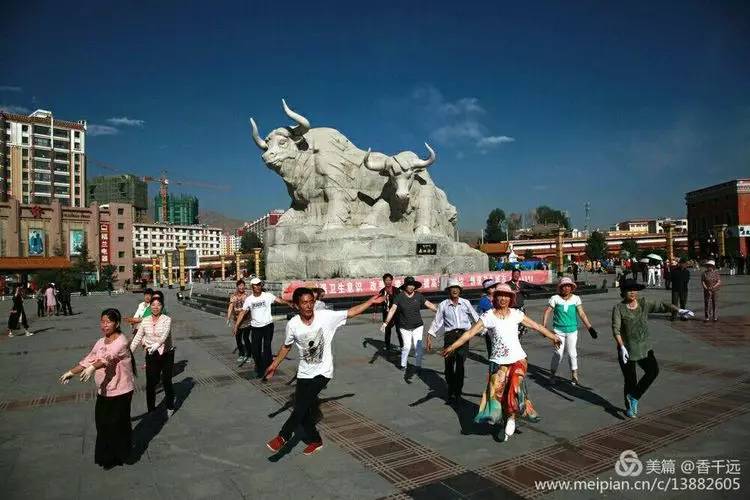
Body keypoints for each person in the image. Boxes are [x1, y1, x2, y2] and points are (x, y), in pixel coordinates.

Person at [264, 288, 384, 455]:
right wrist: (274, 365)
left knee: (300, 407)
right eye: (304, 303)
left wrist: (370, 302)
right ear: (297, 305)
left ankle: (283, 436)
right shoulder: (292, 325)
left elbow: (350, 313)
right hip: (304, 373)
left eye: (311, 302)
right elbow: (286, 346)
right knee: (303, 411)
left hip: (323, 372)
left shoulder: (325, 316)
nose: (308, 306)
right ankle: (316, 440)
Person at [442, 285, 561, 442]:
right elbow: (470, 333)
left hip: (518, 359)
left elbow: (536, 326)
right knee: (498, 393)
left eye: (507, 296)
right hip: (498, 361)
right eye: (500, 295)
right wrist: (453, 346)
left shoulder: (516, 314)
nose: (503, 298)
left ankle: (511, 417)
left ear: (510, 298)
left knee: (515, 387)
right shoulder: (488, 316)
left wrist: (552, 336)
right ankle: (504, 416)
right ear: (495, 297)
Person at [59, 309, 136, 469]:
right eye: (102, 321)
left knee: (117, 424)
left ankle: (122, 454)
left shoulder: (121, 341)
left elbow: (107, 358)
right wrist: (71, 372)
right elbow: (89, 358)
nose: (105, 325)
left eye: (108, 321)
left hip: (121, 390)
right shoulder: (101, 342)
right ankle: (107, 456)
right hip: (104, 390)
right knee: (102, 423)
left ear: (117, 323)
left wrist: (93, 368)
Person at [613, 279, 693, 418]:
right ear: (623, 292)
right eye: (629, 290)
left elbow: (662, 305)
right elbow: (616, 330)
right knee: (630, 379)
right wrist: (622, 347)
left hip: (644, 347)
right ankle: (630, 408)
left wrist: (678, 310)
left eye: (634, 290)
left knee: (653, 371)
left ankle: (634, 397)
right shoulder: (619, 308)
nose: (633, 292)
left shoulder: (644, 304)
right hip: (627, 350)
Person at [426, 278, 479, 403]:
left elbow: (476, 317)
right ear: (448, 291)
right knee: (449, 364)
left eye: (457, 288)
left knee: (460, 364)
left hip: (463, 336)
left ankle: (458, 391)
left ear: (460, 290)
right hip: (449, 337)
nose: (454, 290)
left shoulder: (466, 303)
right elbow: (437, 322)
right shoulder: (444, 305)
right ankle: (451, 388)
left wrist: (485, 330)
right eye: (452, 288)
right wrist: (429, 336)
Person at [542, 277, 598, 386]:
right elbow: (547, 312)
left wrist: (590, 327)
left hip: (572, 331)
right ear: (561, 288)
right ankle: (552, 374)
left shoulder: (576, 299)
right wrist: (544, 327)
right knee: (558, 354)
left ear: (571, 288)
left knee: (572, 354)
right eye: (564, 286)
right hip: (558, 331)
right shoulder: (555, 298)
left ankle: (574, 375)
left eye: (568, 286)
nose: (566, 288)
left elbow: (581, 313)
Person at [234, 277, 291, 378]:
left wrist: (289, 303)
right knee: (256, 349)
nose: (258, 286)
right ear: (252, 287)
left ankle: (267, 368)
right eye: (256, 285)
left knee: (267, 347)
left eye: (259, 284)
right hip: (256, 328)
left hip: (268, 326)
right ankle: (259, 366)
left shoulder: (267, 295)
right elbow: (243, 312)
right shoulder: (249, 299)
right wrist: (236, 326)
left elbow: (278, 300)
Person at [130, 291, 175, 416]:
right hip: (151, 354)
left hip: (166, 354)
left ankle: (170, 406)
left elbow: (165, 335)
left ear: (162, 306)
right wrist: (128, 353)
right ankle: (151, 408)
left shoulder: (167, 319)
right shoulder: (145, 320)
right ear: (150, 306)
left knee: (166, 381)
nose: (155, 307)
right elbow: (137, 338)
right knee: (151, 383)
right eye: (153, 305)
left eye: (158, 305)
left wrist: (158, 344)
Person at [381, 276, 438, 371]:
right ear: (405, 286)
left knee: (418, 346)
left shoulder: (419, 295)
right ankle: (403, 365)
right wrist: (385, 323)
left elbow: (429, 304)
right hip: (404, 327)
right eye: (409, 285)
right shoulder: (399, 297)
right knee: (406, 346)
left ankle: (418, 365)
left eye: (413, 285)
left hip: (418, 326)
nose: (411, 287)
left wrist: (440, 311)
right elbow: (393, 309)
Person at [506, 269, 541, 337]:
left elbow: (532, 286)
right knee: (511, 326)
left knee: (522, 326)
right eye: (514, 274)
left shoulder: (522, 283)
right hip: (511, 309)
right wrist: (511, 291)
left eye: (517, 274)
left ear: (520, 275)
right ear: (512, 275)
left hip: (520, 309)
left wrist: (541, 287)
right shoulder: (507, 284)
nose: (516, 275)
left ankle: (518, 338)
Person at [227, 280, 250, 363]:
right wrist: (228, 318)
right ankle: (241, 354)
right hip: (236, 321)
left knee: (246, 338)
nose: (242, 287)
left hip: (247, 321)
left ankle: (249, 355)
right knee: (238, 339)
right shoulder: (233, 296)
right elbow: (230, 307)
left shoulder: (247, 296)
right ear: (237, 286)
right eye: (240, 285)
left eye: (243, 285)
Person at [379, 273, 402, 352]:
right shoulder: (382, 291)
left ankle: (402, 346)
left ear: (392, 281)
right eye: (386, 280)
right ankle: (387, 346)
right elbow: (378, 302)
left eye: (389, 280)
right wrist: (375, 312)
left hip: (397, 313)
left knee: (399, 330)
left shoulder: (397, 290)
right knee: (387, 330)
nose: (388, 282)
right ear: (383, 281)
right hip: (386, 313)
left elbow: (400, 301)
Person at [477, 278, 497, 357]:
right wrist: (482, 327)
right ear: (486, 289)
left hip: (500, 324)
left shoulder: (499, 298)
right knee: (491, 347)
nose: (493, 288)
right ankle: (492, 363)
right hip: (489, 327)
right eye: (490, 287)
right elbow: (478, 313)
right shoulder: (483, 300)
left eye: (494, 286)